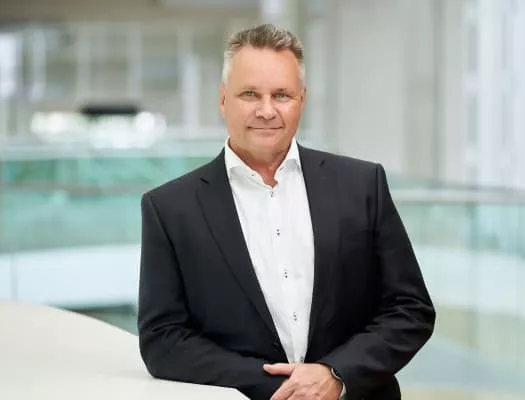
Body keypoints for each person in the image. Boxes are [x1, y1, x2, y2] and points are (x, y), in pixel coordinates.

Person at [137, 23, 435, 400]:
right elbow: (162, 340)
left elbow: (410, 309)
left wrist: (336, 375)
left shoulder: (362, 185)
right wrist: (278, 386)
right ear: (223, 99)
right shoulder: (169, 209)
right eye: (250, 94)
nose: (266, 111)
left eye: (281, 95)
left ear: (301, 101)